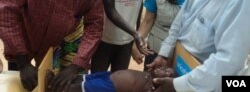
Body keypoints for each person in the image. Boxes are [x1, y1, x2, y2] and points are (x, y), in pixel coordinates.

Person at [0, 0, 104, 91]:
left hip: (52, 47)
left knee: (45, 83)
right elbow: (6, 12)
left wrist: (76, 65)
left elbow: (95, 26)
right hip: (20, 40)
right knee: (18, 82)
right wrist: (22, 63)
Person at [148, 0, 250, 91]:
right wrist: (164, 54)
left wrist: (178, 86)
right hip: (184, 68)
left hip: (206, 83)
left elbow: (227, 62)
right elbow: (181, 21)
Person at [45, 67, 175, 92]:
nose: (164, 69)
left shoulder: (149, 88)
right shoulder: (148, 73)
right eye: (165, 68)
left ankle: (53, 88)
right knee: (80, 79)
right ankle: (57, 81)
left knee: (81, 88)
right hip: (108, 75)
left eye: (167, 72)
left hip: (110, 87)